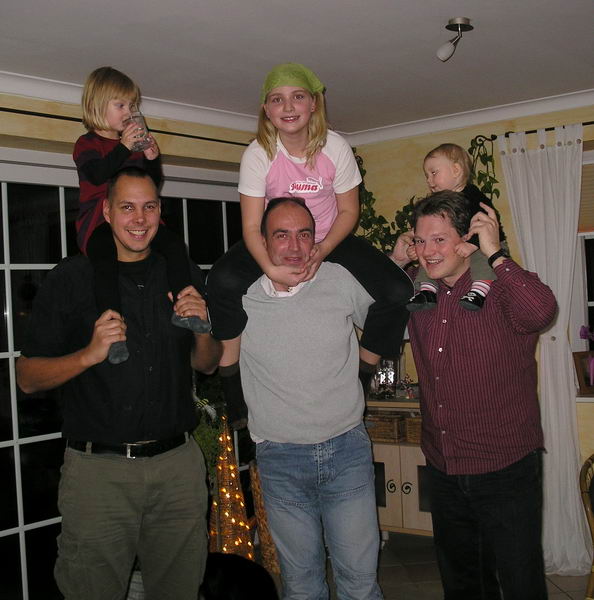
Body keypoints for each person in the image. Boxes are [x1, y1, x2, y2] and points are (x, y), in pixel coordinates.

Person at [16, 167, 221, 600]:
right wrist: (89, 354)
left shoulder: (181, 273)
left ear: (160, 211)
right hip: (99, 474)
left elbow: (206, 365)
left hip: (178, 468)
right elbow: (27, 377)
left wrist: (202, 328)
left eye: (149, 206)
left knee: (180, 591)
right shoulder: (71, 278)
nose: (139, 219)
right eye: (127, 207)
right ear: (107, 212)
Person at [208, 62, 412, 399]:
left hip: (331, 236)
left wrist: (324, 249)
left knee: (398, 291)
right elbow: (250, 225)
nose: (288, 107)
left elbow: (349, 211)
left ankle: (362, 379)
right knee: (221, 282)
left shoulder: (335, 147)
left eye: (298, 97)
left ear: (314, 103)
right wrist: (271, 268)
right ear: (266, 109)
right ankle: (231, 388)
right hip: (275, 238)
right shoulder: (258, 154)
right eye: (277, 99)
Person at [391, 190, 557, 599]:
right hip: (444, 465)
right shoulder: (418, 292)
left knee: (520, 583)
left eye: (439, 239)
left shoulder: (500, 286)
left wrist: (495, 253)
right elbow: (367, 311)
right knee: (463, 584)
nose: (427, 251)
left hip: (505, 467)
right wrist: (395, 261)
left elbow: (541, 312)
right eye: (420, 240)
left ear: (466, 240)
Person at [230, 196, 383, 599]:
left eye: (304, 234)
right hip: (281, 458)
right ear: (262, 241)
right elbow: (215, 358)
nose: (295, 247)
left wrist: (365, 369)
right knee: (301, 585)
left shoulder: (339, 279)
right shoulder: (242, 296)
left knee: (360, 581)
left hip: (347, 450)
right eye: (281, 235)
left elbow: (386, 321)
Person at [74, 66, 209, 365]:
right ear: (98, 105)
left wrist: (152, 158)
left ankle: (184, 307)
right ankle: (113, 332)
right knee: (105, 264)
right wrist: (124, 147)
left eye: (132, 105)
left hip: (136, 219)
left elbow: (151, 184)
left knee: (174, 245)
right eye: (121, 105)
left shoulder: (132, 146)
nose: (129, 112)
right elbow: (97, 175)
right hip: (99, 220)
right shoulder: (87, 143)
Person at [406, 143, 507, 312]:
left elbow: (486, 225)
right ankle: (427, 291)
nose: (429, 181)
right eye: (427, 176)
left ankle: (479, 291)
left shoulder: (473, 196)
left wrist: (472, 245)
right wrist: (416, 245)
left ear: (456, 170)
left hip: (484, 245)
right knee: (428, 256)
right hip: (465, 246)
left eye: (434, 173)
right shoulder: (438, 204)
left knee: (482, 260)